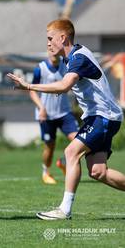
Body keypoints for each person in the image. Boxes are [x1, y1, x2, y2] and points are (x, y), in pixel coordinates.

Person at [7, 19, 125, 220]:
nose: (48, 43)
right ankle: (65, 209)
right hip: (101, 117)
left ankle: (64, 210)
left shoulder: (78, 58)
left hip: (103, 116)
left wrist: (28, 86)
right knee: (98, 172)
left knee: (71, 152)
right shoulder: (69, 59)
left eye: (50, 38)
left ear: (63, 38)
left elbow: (63, 86)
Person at [29, 49, 78, 184]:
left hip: (64, 112)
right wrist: (41, 107)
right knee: (49, 147)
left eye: (55, 50)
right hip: (46, 115)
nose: (53, 53)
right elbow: (32, 91)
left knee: (79, 140)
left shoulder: (67, 65)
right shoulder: (40, 68)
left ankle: (63, 161)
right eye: (50, 50)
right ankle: (46, 173)